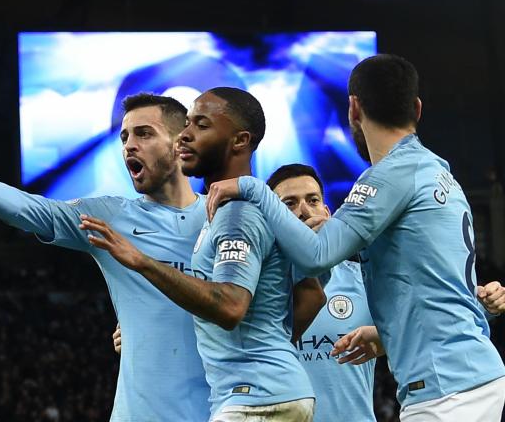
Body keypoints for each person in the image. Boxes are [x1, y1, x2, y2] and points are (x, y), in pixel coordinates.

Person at [206, 54, 505, 420]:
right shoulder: (437, 172)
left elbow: (317, 254)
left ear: (353, 108)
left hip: (449, 388)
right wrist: (383, 335)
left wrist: (254, 188)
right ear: (417, 108)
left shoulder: (388, 176)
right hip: (466, 376)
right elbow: (431, 289)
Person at [0, 93, 213, 421]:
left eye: (144, 133)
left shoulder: (222, 221)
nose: (128, 145)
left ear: (180, 142)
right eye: (124, 136)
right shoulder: (110, 218)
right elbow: (28, 208)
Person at [81, 87, 315, 421]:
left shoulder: (238, 213)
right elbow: (311, 293)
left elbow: (230, 305)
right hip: (261, 394)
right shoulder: (221, 210)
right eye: (187, 124)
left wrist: (142, 261)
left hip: (255, 398)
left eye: (200, 126)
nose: (185, 137)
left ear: (238, 140)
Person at [267, 163, 376, 422]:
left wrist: (480, 303)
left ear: (327, 212)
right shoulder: (258, 289)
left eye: (312, 200)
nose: (304, 211)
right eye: (289, 204)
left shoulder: (364, 279)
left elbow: (418, 324)